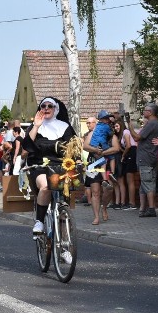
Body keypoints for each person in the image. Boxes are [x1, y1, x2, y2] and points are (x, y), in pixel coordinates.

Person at [22, 97, 77, 235]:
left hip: (60, 167)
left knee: (64, 208)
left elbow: (74, 149)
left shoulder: (65, 127)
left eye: (50, 106)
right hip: (39, 166)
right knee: (46, 185)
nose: (46, 108)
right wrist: (36, 126)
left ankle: (65, 246)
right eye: (43, 106)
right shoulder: (34, 127)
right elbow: (24, 152)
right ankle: (39, 221)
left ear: (56, 109)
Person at [83, 115, 121, 225]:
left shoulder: (111, 135)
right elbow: (85, 146)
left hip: (107, 163)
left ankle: (104, 207)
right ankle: (96, 217)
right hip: (93, 165)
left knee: (109, 190)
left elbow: (116, 148)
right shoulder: (92, 134)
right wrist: (95, 149)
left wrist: (103, 153)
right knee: (95, 191)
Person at [129, 102, 158, 217]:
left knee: (148, 183)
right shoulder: (156, 124)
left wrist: (130, 128)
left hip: (146, 158)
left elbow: (137, 137)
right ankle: (143, 209)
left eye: (145, 110)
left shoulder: (151, 123)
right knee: (145, 183)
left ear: (151, 112)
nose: (143, 112)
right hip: (151, 157)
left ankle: (151, 208)